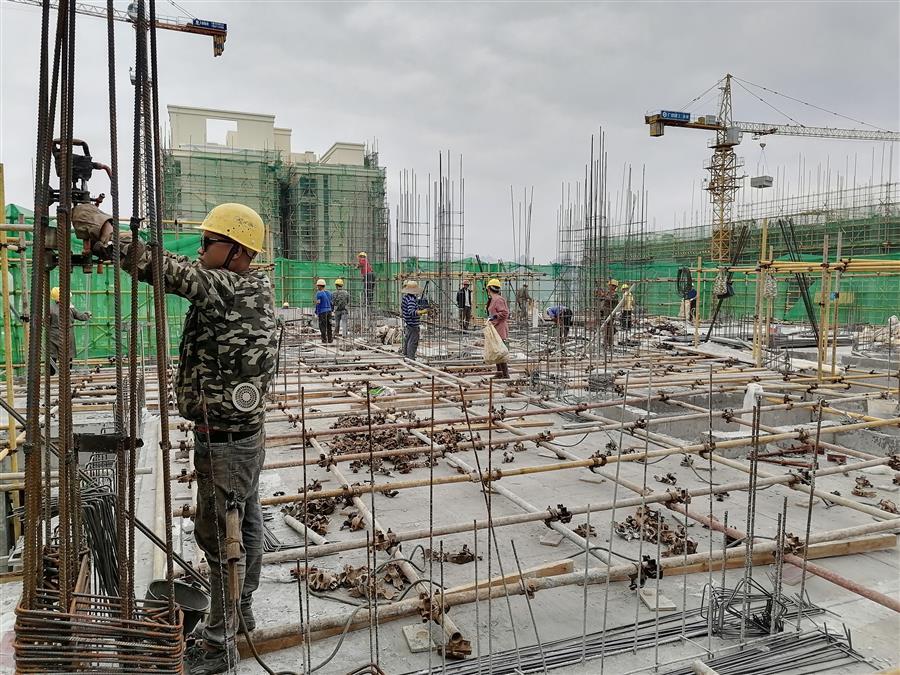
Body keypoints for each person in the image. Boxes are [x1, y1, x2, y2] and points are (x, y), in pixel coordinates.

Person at [75, 201, 277, 675]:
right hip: (242, 435)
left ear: (237, 251)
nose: (202, 247)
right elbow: (182, 267)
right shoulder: (245, 285)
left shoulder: (229, 289)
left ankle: (219, 643)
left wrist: (108, 234)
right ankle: (240, 609)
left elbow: (168, 271)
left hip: (226, 443)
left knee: (219, 540)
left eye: (210, 241)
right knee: (244, 523)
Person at [47, 286, 91, 375]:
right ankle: (67, 372)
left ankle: (51, 373)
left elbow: (46, 322)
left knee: (53, 354)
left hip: (53, 334)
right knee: (68, 353)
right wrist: (88, 314)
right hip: (67, 333)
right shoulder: (69, 308)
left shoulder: (50, 308)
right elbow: (81, 317)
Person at [486, 278, 510, 379]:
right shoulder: (493, 299)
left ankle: (505, 374)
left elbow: (504, 313)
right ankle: (499, 372)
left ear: (489, 289)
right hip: (494, 328)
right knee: (496, 350)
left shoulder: (498, 299)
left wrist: (495, 316)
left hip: (499, 328)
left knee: (500, 351)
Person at [401, 280, 425, 360]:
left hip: (408, 322)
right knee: (413, 342)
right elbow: (411, 312)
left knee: (408, 340)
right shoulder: (411, 300)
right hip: (413, 324)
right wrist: (420, 312)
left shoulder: (406, 298)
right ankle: (411, 358)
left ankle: (406, 355)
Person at [597, 278, 619, 348]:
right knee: (606, 328)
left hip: (611, 313)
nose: (609, 286)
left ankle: (609, 343)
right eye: (609, 285)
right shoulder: (607, 293)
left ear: (614, 287)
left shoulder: (615, 294)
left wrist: (604, 295)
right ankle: (606, 343)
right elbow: (601, 300)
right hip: (606, 312)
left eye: (610, 285)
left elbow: (610, 299)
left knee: (609, 328)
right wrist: (600, 295)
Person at [314, 278, 333, 344]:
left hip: (322, 312)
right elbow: (331, 303)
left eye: (317, 286)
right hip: (329, 311)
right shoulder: (329, 293)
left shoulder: (319, 294)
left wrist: (316, 312)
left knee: (322, 326)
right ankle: (330, 339)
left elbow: (318, 304)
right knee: (329, 326)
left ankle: (324, 340)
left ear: (320, 286)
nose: (317, 287)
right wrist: (331, 310)